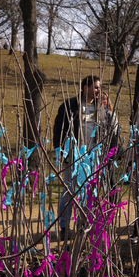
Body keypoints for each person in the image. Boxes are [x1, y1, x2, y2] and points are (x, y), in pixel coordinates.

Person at [53, 75, 120, 241]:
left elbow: (110, 132)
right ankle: (63, 226)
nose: (98, 90)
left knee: (91, 192)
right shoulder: (70, 106)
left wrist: (110, 153)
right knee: (69, 191)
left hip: (94, 157)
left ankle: (85, 223)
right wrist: (60, 151)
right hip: (74, 155)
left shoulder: (102, 109)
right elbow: (58, 130)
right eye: (96, 87)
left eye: (99, 87)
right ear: (85, 87)